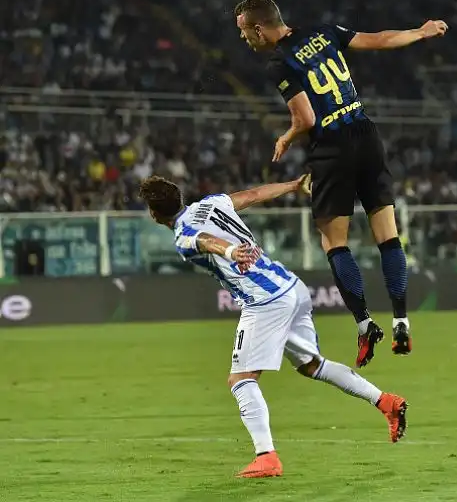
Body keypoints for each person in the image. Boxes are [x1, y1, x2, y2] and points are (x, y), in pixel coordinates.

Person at [139, 175, 408, 479]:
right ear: (180, 197)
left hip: (264, 300)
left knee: (240, 379)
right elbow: (252, 195)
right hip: (291, 286)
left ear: (154, 214)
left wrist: (228, 252)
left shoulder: (182, 236)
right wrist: (293, 186)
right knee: (312, 365)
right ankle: (385, 401)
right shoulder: (211, 204)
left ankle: (266, 456)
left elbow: (204, 241)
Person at [234, 0, 448, 368]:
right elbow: (380, 39)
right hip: (366, 135)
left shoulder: (279, 63)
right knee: (388, 235)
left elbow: (306, 119)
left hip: (333, 148)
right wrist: (420, 32)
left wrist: (286, 137)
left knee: (334, 241)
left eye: (243, 32)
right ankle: (401, 320)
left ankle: (366, 325)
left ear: (258, 27)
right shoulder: (323, 32)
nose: (243, 40)